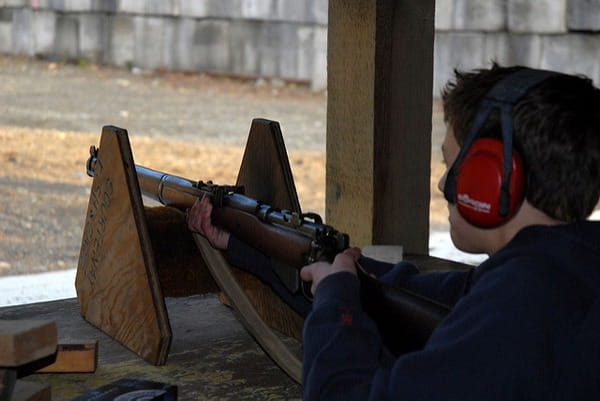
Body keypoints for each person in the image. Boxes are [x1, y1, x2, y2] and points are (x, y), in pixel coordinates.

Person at [188, 64, 600, 400]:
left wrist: (337, 304)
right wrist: (262, 250)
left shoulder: (518, 308)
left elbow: (343, 392)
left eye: (452, 168)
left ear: (490, 180)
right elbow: (413, 295)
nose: (443, 186)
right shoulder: (556, 272)